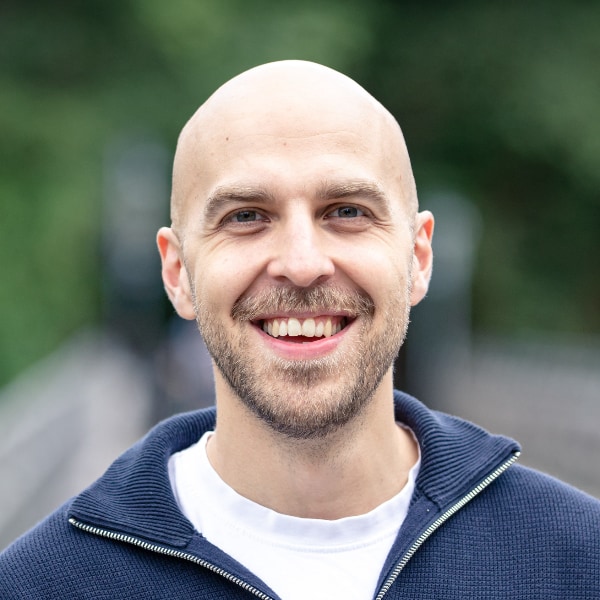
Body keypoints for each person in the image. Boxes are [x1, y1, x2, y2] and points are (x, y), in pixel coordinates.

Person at [1, 60, 599, 599]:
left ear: (418, 258)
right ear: (178, 273)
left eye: (347, 212)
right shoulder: (40, 585)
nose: (302, 262)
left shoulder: (579, 562)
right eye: (246, 217)